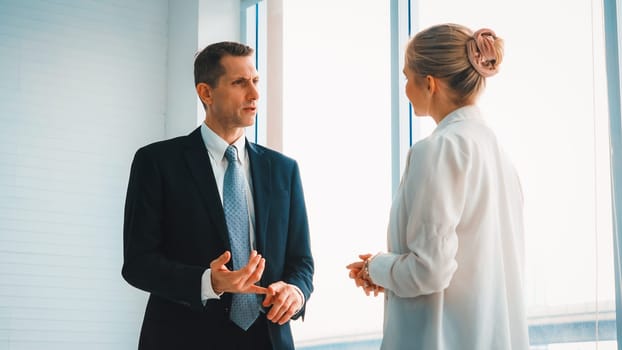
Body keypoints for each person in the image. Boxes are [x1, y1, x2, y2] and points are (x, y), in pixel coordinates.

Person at [346, 24, 529, 349]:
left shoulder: (439, 149)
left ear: (429, 83)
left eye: (406, 77)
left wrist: (377, 267)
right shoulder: (501, 158)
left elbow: (429, 270)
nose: (404, 89)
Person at [122, 41, 314, 350]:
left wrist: (296, 291)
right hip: (183, 338)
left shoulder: (283, 170)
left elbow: (301, 261)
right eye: (240, 83)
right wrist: (208, 282)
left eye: (255, 81)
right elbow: (138, 263)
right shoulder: (157, 162)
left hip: (268, 339)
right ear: (206, 93)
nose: (254, 94)